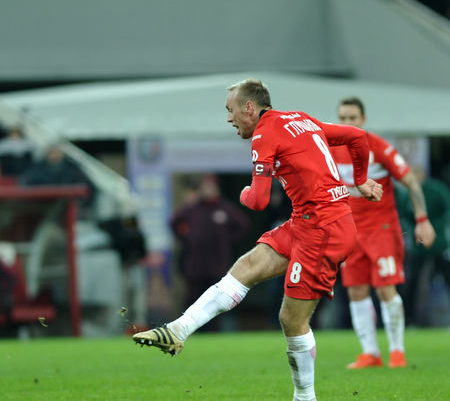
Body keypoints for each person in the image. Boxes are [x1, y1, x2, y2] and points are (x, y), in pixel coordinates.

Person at [133, 79, 383, 401]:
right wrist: (360, 181)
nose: (228, 118)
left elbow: (259, 201)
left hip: (323, 230)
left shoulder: (265, 134)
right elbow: (357, 137)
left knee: (291, 319)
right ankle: (177, 330)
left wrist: (243, 193)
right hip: (310, 222)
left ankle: (305, 398)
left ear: (249, 108)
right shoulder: (301, 119)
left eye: (230, 110)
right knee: (247, 264)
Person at [331, 97, 436, 369]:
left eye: (352, 118)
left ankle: (397, 352)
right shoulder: (329, 149)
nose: (347, 123)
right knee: (355, 290)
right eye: (343, 118)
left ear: (363, 120)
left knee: (385, 287)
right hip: (350, 231)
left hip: (382, 228)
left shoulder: (377, 147)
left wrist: (422, 219)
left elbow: (410, 181)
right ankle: (370, 353)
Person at [169, 174, 250, 328]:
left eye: (211, 187)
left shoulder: (225, 208)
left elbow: (243, 224)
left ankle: (215, 331)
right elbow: (174, 222)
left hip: (217, 265)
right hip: (195, 265)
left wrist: (228, 239)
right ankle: (189, 329)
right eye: (205, 187)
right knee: (193, 298)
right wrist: (187, 237)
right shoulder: (192, 208)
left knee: (216, 300)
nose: (208, 190)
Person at [397, 167, 450, 326]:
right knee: (412, 282)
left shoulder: (437, 190)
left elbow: (446, 211)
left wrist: (434, 228)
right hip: (418, 246)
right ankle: (410, 319)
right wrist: (412, 230)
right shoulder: (407, 195)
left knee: (446, 278)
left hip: (439, 245)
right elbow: (402, 216)